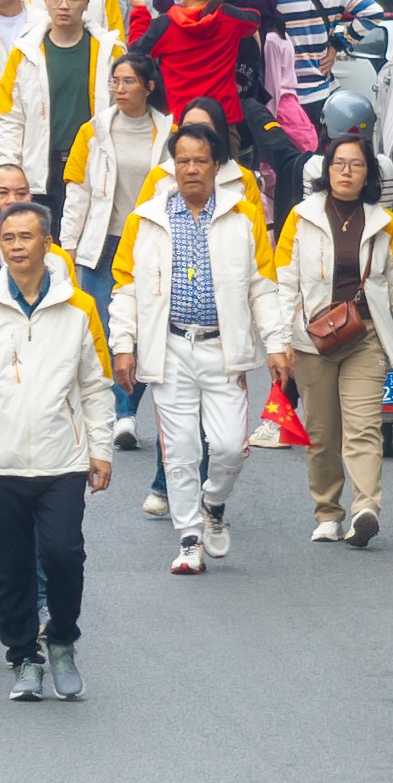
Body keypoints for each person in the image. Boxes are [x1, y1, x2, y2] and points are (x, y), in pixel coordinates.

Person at [0, 196, 117, 695]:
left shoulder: (79, 308)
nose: (15, 246)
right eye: (8, 238)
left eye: (25, 237)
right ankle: (24, 658)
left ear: (46, 244)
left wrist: (100, 449)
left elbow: (95, 385)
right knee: (9, 569)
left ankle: (62, 639)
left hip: (62, 461)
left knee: (64, 554)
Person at [109, 124, 287, 576]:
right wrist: (123, 345)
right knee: (181, 449)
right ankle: (189, 537)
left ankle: (214, 502)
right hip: (169, 348)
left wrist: (277, 344)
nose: (191, 169)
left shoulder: (243, 216)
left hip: (222, 349)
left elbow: (262, 286)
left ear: (216, 166)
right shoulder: (146, 219)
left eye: (200, 160)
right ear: (173, 166)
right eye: (183, 160)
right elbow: (126, 288)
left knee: (229, 446)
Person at [278, 131, 393, 547]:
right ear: (327, 170)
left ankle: (365, 509)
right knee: (322, 435)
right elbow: (284, 283)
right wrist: (280, 340)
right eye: (339, 163)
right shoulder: (300, 217)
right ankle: (327, 512)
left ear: (368, 173)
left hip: (366, 336)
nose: (347, 171)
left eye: (356, 165)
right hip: (312, 342)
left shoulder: (386, 224)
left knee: (364, 428)